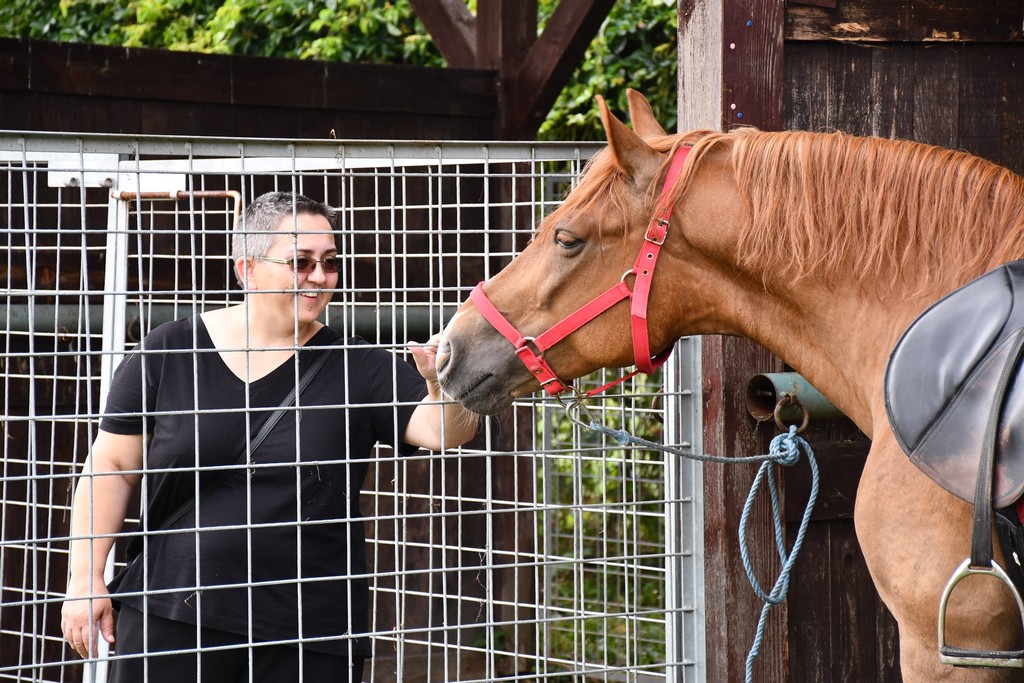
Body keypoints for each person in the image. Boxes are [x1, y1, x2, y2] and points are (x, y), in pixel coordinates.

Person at [60, 191, 478, 682]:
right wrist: (86, 578)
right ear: (248, 268)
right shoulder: (168, 349)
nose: (319, 277)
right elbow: (110, 464)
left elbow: (443, 430)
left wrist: (440, 383)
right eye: (299, 263)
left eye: (329, 262)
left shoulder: (357, 364)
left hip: (308, 629)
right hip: (173, 612)